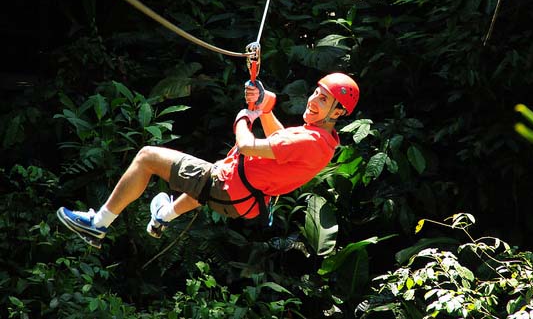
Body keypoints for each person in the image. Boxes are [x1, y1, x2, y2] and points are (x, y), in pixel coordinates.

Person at [57, 73, 359, 248]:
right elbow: (280, 144)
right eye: (316, 93)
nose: (312, 100)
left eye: (323, 99)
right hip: (241, 199)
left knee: (147, 157)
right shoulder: (323, 142)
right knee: (205, 179)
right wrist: (266, 108)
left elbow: (248, 145)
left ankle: (98, 223)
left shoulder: (309, 140)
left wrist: (246, 114)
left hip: (226, 186)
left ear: (337, 112)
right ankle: (162, 217)